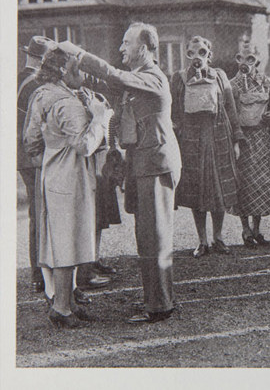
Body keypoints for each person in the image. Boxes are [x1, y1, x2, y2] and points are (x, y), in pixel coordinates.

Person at [59, 22, 182, 323]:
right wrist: (80, 81)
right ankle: (157, 300)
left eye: (126, 43)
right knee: (147, 236)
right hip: (145, 164)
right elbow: (110, 87)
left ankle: (159, 307)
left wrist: (80, 54)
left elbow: (113, 76)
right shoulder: (138, 78)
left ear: (143, 48)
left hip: (155, 165)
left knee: (154, 238)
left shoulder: (153, 77)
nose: (120, 48)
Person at [24, 46, 112, 328]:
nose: (84, 74)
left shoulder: (42, 93)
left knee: (60, 237)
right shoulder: (67, 103)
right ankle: (61, 307)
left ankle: (68, 301)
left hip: (51, 175)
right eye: (79, 68)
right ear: (64, 69)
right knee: (68, 240)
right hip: (72, 175)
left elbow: (30, 141)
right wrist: (100, 116)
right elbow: (85, 145)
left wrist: (50, 159)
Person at [171, 36, 243, 257]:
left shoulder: (220, 76)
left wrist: (237, 139)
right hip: (192, 142)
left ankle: (218, 238)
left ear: (209, 55)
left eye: (202, 52)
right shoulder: (180, 78)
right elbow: (173, 112)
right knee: (197, 189)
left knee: (218, 187)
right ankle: (202, 240)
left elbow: (231, 108)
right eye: (193, 52)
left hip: (218, 137)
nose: (198, 57)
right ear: (187, 55)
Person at [230, 43, 270, 248]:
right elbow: (228, 114)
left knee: (260, 184)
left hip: (263, 140)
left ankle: (257, 229)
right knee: (243, 184)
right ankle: (245, 229)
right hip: (243, 141)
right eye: (242, 58)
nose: (246, 63)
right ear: (237, 59)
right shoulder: (231, 86)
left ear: (257, 61)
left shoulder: (268, 83)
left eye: (251, 59)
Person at [18, 36, 52, 293]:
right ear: (42, 60)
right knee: (40, 213)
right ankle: (40, 274)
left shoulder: (19, 79)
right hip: (33, 156)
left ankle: (38, 273)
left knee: (36, 213)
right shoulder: (33, 84)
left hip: (24, 155)